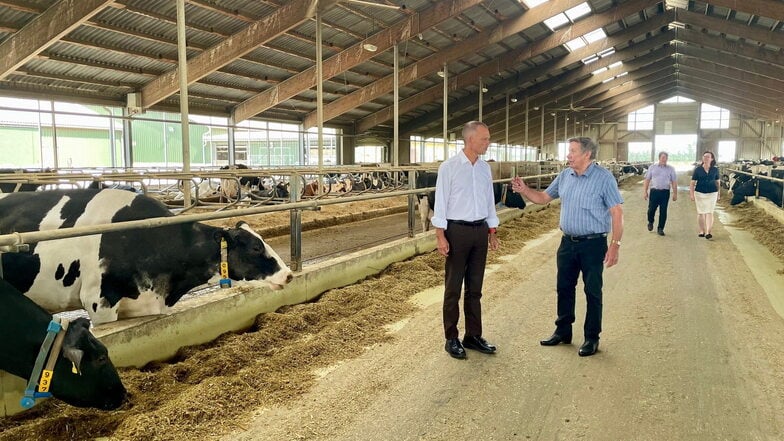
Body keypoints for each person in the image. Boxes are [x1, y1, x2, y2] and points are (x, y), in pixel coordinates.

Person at [511, 137, 623, 357]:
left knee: (592, 291)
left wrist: (615, 245)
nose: (568, 155)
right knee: (564, 287)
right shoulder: (565, 176)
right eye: (568, 151)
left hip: (593, 243)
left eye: (572, 151)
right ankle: (563, 331)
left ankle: (591, 337)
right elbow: (543, 198)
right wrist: (525, 189)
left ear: (587, 154)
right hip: (567, 242)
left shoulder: (604, 179)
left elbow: (617, 213)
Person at [432, 121, 501, 360]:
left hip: (479, 230)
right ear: (470, 139)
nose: (488, 142)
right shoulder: (449, 168)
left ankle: (472, 336)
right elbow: (440, 203)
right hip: (457, 231)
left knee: (475, 288)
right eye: (484, 139)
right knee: (453, 287)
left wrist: (492, 231)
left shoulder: (484, 169)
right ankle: (451, 338)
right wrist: (440, 235)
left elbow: (489, 201)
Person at [643, 151, 678, 236]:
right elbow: (647, 179)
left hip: (665, 192)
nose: (664, 159)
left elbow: (674, 181)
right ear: (659, 158)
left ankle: (660, 228)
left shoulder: (671, 169)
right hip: (654, 191)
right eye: (662, 157)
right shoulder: (652, 167)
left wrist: (675, 193)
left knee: (663, 211)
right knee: (651, 210)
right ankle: (650, 221)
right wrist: (645, 191)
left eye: (665, 158)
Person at [689, 151, 720, 239]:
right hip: (699, 193)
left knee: (710, 212)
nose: (706, 158)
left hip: (712, 193)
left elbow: (718, 182)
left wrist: (719, 194)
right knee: (701, 212)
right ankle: (702, 230)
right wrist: (691, 194)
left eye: (708, 157)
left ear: (712, 159)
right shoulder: (698, 170)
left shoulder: (715, 170)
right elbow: (692, 183)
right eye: (704, 157)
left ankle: (708, 232)